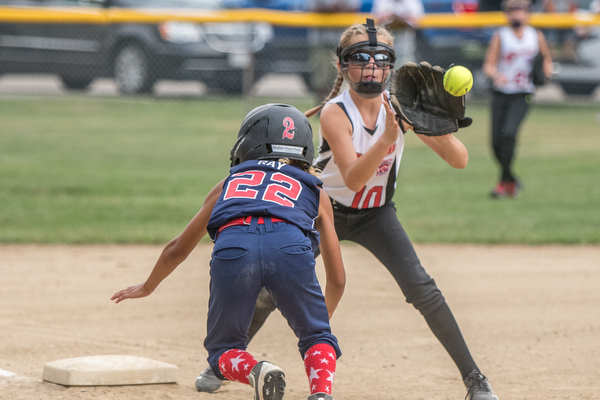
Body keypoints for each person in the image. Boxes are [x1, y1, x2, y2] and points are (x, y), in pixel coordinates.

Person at [197, 18, 499, 400]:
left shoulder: (398, 105)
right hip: (324, 213)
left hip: (377, 215)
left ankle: (475, 379)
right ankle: (219, 361)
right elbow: (354, 178)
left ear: (390, 66)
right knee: (273, 289)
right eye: (360, 58)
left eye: (380, 58)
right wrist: (390, 136)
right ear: (341, 65)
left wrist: (438, 124)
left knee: (423, 288)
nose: (371, 66)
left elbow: (460, 160)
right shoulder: (335, 113)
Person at [111, 104, 346, 400]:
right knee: (317, 338)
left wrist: (148, 286)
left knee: (223, 351)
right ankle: (321, 394)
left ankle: (255, 370)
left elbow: (177, 249)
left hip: (235, 247)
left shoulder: (229, 183)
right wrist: (321, 321)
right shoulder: (315, 190)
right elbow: (337, 278)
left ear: (247, 144)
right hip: (289, 247)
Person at [483, 0, 553, 198]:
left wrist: (547, 71)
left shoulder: (535, 36)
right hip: (501, 92)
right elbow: (489, 65)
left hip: (523, 93)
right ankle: (511, 179)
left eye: (521, 10)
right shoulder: (501, 36)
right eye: (513, 10)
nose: (517, 14)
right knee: (496, 142)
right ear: (507, 13)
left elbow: (546, 58)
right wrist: (496, 74)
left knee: (509, 135)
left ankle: (503, 182)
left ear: (528, 13)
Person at [371, 0, 424, 66]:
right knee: (386, 61)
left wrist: (401, 19)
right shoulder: (381, 1)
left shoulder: (412, 1)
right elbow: (377, 19)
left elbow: (416, 20)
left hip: (405, 39)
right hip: (386, 37)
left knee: (406, 62)